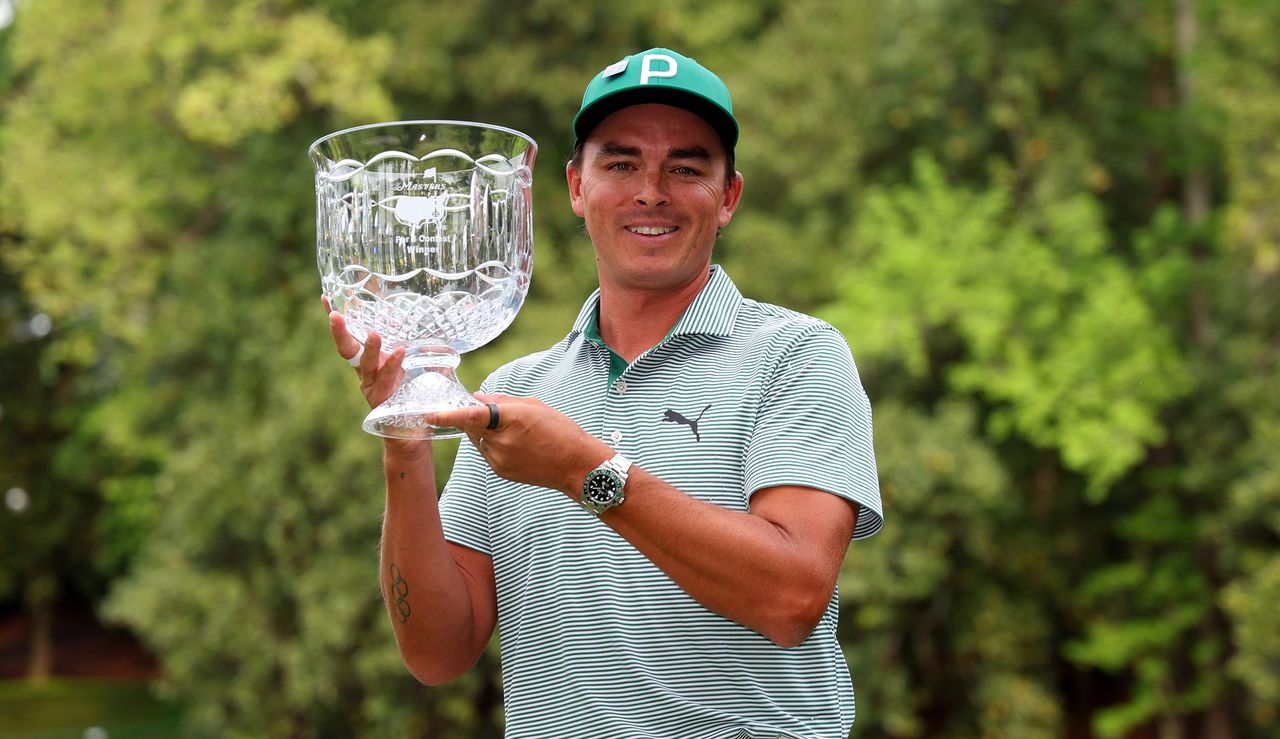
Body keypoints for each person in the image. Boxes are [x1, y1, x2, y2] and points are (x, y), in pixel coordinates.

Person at [327, 47, 884, 739]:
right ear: (575, 187)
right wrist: (405, 439)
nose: (652, 190)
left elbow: (793, 595)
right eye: (620, 164)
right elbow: (439, 652)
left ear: (730, 196)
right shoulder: (516, 390)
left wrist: (585, 470)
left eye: (686, 167)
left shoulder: (797, 355)